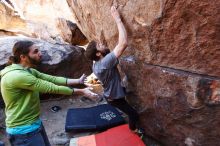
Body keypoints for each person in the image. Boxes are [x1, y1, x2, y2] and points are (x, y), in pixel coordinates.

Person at [0, 40, 97, 146]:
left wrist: (78, 81)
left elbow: (52, 79)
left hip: (33, 124)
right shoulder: (18, 76)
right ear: (23, 57)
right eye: (35, 51)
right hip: (23, 131)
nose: (40, 54)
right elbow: (51, 88)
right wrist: (81, 91)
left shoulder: (28, 71)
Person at [85, 6, 142, 133]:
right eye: (100, 45)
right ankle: (134, 131)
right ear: (98, 54)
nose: (103, 44)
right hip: (114, 98)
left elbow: (93, 53)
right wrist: (117, 19)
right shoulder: (105, 62)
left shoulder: (96, 62)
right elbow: (123, 44)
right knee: (134, 115)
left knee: (126, 106)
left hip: (110, 95)